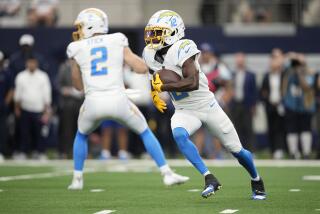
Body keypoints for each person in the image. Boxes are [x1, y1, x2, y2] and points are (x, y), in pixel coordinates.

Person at [143, 10, 266, 199]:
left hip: (207, 106)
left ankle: (256, 180)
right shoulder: (149, 54)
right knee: (179, 134)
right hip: (184, 109)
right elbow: (155, 79)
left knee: (238, 152)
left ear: (174, 32)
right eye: (152, 32)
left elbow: (191, 82)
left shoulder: (184, 46)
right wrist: (155, 93)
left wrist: (164, 86)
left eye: (158, 32)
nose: (153, 37)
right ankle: (209, 178)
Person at [66, 8, 189, 190]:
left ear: (91, 26)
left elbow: (78, 86)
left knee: (82, 135)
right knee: (145, 131)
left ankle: (77, 179)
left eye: (81, 26)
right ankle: (167, 174)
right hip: (118, 100)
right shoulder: (117, 39)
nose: (79, 30)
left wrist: (76, 63)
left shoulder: (75, 48)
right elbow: (140, 68)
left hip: (92, 102)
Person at [14, 56, 52, 160]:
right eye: (29, 63)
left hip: (39, 109)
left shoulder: (43, 76)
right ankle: (23, 152)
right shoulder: (21, 76)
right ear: (27, 63)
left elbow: (47, 94)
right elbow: (18, 94)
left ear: (36, 63)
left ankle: (40, 152)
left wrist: (47, 110)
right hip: (25, 108)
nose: (31, 65)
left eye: (33, 63)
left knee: (39, 133)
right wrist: (16, 108)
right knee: (24, 132)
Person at [282, 53, 316, 159]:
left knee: (305, 129)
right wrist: (291, 57)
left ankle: (306, 152)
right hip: (291, 105)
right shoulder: (289, 72)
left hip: (305, 106)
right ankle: (293, 152)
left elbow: (306, 86)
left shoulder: (309, 73)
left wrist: (300, 74)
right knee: (292, 129)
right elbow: (283, 63)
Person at [260, 51, 286, 159]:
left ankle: (280, 149)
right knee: (271, 128)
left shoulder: (284, 75)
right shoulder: (267, 75)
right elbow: (263, 91)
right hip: (270, 105)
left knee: (281, 128)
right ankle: (273, 150)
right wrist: (266, 99)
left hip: (282, 105)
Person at [231, 52, 257, 151]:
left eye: (241, 60)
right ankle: (237, 149)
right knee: (236, 128)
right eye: (238, 60)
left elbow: (254, 91)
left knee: (248, 128)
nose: (240, 62)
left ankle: (251, 150)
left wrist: (254, 106)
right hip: (235, 105)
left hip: (247, 105)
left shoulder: (251, 75)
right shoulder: (232, 74)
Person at [57, 60, 83, 158]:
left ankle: (78, 152)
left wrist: (82, 91)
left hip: (80, 103)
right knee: (66, 129)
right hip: (67, 104)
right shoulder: (64, 68)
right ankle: (64, 151)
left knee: (81, 129)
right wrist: (70, 91)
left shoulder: (82, 67)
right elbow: (58, 86)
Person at [0, 51, 14, 161]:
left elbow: (11, 90)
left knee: (3, 130)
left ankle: (2, 151)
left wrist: (5, 103)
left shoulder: (7, 73)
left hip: (2, 106)